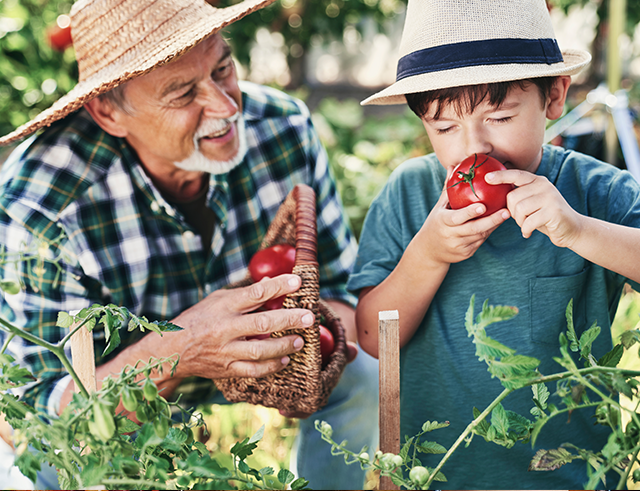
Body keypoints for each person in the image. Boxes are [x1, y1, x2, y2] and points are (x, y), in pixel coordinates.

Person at [0, 0, 379, 489]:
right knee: (56, 469)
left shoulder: (284, 130)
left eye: (223, 68)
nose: (227, 107)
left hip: (269, 365)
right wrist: (179, 349)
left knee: (364, 373)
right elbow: (39, 419)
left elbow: (343, 298)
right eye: (183, 94)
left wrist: (308, 339)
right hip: (126, 400)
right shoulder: (41, 206)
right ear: (108, 112)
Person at [347, 0, 640, 489]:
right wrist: (429, 254)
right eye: (444, 127)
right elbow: (376, 341)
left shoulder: (593, 192)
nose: (472, 148)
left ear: (554, 97)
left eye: (500, 117)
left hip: (570, 475)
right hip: (436, 474)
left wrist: (577, 231)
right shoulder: (409, 194)